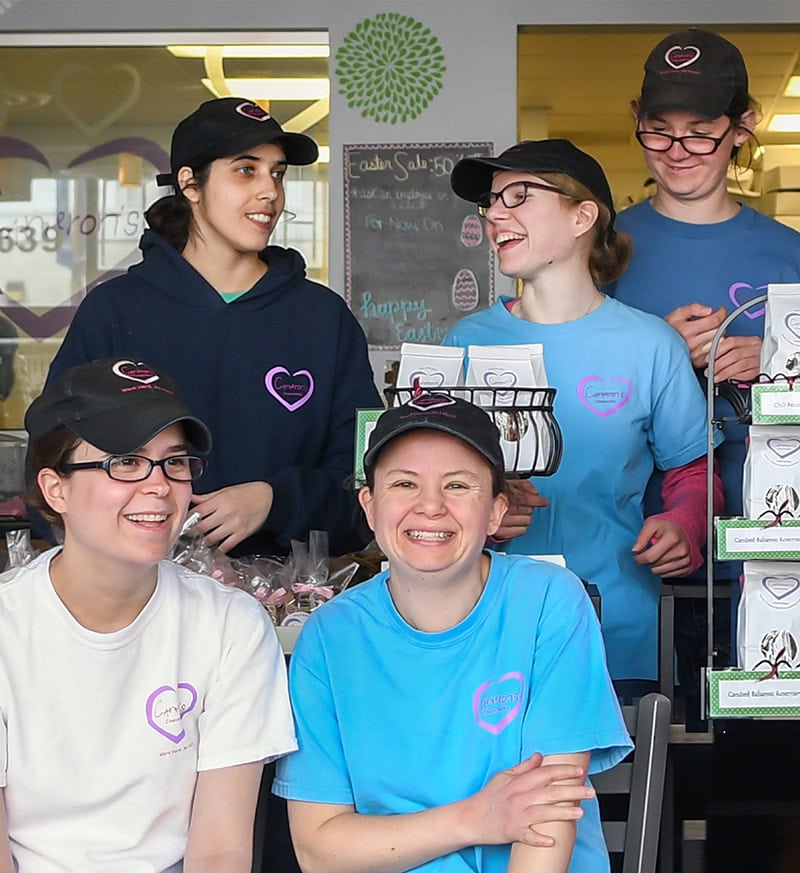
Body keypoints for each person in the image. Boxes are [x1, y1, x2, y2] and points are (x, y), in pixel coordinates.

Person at [274, 391, 632, 873]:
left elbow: (545, 826)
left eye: (458, 486)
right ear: (370, 505)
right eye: (404, 483)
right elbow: (321, 851)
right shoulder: (329, 637)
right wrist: (476, 819)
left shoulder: (549, 602)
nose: (430, 506)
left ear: (496, 511)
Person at [45, 97, 382, 558]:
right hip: (137, 598)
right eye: (246, 170)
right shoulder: (114, 311)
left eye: (277, 173)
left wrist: (274, 501)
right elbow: (55, 463)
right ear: (190, 183)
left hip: (288, 604)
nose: (271, 192)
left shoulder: (324, 318)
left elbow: (368, 477)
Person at [442, 139, 723, 687]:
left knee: (614, 777)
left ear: (582, 215)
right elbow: (423, 484)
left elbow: (694, 468)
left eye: (518, 196)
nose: (497, 213)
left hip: (617, 632)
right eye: (492, 202)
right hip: (484, 629)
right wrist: (484, 509)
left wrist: (686, 523)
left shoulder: (650, 344)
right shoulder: (463, 344)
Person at [0, 358, 295, 872]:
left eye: (174, 462)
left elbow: (221, 851)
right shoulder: (10, 625)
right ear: (55, 489)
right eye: (126, 462)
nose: (159, 486)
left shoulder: (231, 626)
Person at [610, 27, 800, 722]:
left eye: (702, 133)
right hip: (636, 551)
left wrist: (779, 368)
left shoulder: (787, 255)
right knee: (637, 761)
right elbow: (564, 387)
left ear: (743, 126)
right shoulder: (602, 251)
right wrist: (652, 347)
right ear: (636, 119)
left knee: (756, 783)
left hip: (768, 563)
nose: (679, 153)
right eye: (659, 133)